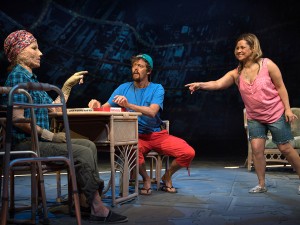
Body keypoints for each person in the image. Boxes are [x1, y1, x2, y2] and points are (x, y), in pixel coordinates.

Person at [3, 30, 128, 223]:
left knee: (89, 145)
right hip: (26, 145)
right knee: (81, 152)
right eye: (34, 48)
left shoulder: (31, 79)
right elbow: (18, 118)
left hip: (36, 142)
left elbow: (54, 109)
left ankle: (85, 201)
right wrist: (50, 136)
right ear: (20, 52)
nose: (40, 53)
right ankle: (97, 207)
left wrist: (67, 87)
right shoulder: (18, 78)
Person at [185, 33, 300, 194]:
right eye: (237, 48)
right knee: (257, 149)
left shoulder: (268, 65)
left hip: (275, 113)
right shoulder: (236, 73)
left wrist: (287, 109)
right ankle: (261, 184)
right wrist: (200, 85)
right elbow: (218, 83)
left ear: (253, 48)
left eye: (242, 47)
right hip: (255, 117)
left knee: (285, 148)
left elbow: (281, 87)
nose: (238, 50)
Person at [88, 54, 195, 195]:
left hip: (157, 135)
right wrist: (96, 105)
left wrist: (128, 104)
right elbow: (105, 107)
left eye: (140, 66)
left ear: (148, 71)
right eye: (134, 66)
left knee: (188, 152)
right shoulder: (123, 88)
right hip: (135, 136)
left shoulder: (157, 88)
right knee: (130, 149)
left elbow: (152, 112)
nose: (135, 69)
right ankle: (146, 179)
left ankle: (167, 175)